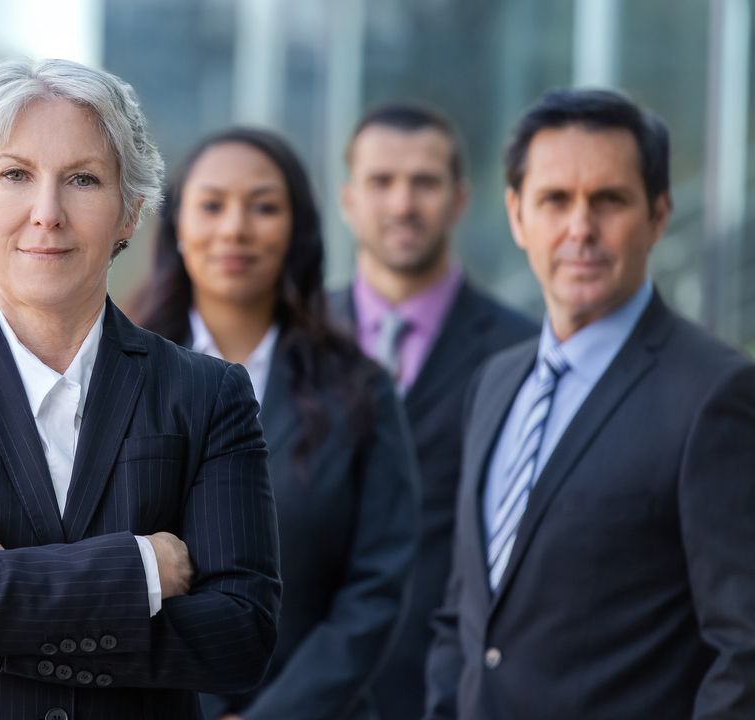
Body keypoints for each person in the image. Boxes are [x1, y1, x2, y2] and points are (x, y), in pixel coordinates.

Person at [0, 58, 281, 720]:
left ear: (130, 213)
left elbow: (240, 638)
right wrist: (135, 571)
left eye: (82, 179)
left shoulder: (208, 394)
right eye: (15, 175)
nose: (46, 213)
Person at [425, 89, 755, 719]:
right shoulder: (494, 382)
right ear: (517, 216)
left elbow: (744, 650)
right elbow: (463, 615)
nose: (580, 228)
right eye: (555, 200)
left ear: (659, 215)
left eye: (610, 200)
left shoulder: (716, 395)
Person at [133, 127, 418, 719]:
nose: (235, 228)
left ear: (297, 230)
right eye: (212, 205)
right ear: (177, 225)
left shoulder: (360, 390)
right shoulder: (118, 376)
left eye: (263, 206)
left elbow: (378, 586)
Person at [331, 103, 536, 720]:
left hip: (455, 691)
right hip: (300, 690)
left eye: (424, 182)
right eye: (381, 182)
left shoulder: (524, 354)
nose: (402, 204)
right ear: (347, 198)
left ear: (460, 199)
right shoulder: (290, 344)